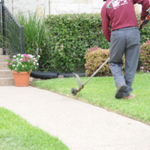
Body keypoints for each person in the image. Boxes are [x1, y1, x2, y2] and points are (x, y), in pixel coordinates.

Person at [101, 0, 149, 99]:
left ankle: (120, 83)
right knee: (131, 64)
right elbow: (146, 2)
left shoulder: (106, 6)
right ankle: (126, 93)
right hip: (133, 33)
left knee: (114, 62)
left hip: (117, 35)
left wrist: (113, 42)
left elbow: (105, 29)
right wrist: (142, 18)